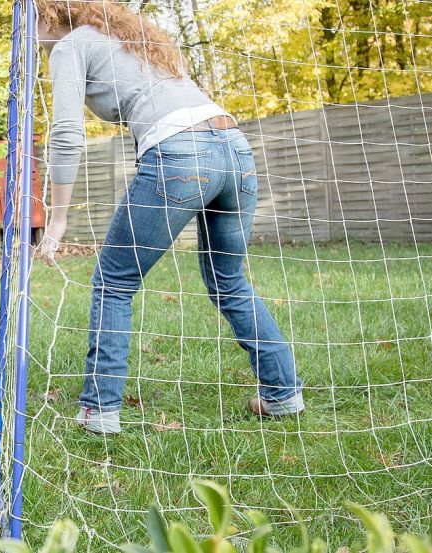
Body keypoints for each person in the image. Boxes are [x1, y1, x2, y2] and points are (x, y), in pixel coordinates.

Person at [33, 0, 304, 435]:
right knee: (229, 279)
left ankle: (98, 411)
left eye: (30, 22)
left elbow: (66, 133)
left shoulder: (69, 46)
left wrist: (58, 218)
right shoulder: (135, 40)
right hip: (234, 147)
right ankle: (283, 395)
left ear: (46, 15)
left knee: (114, 281)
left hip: (179, 155)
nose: (29, 37)